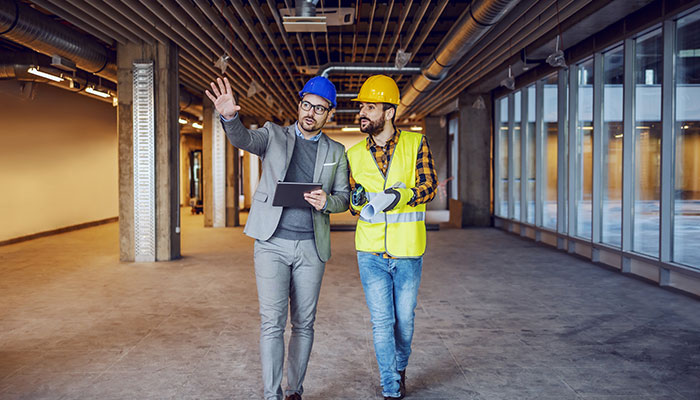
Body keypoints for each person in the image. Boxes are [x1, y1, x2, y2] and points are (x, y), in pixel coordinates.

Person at [205, 76, 350, 400]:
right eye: (306, 105)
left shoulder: (336, 151)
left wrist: (329, 202)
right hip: (271, 244)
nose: (311, 112)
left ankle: (294, 390)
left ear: (330, 114)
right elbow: (243, 139)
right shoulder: (274, 135)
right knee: (272, 322)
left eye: (319, 108)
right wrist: (230, 117)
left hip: (312, 248)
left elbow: (344, 196)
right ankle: (272, 395)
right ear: (299, 105)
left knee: (304, 324)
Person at [345, 75, 437, 399]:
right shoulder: (354, 154)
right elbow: (353, 197)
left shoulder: (416, 144)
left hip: (408, 250)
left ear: (389, 112)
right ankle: (391, 387)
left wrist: (403, 195)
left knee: (405, 323)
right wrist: (356, 202)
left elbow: (429, 186)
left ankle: (399, 367)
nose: (363, 113)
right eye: (362, 108)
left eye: (371, 107)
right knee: (382, 323)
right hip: (370, 252)